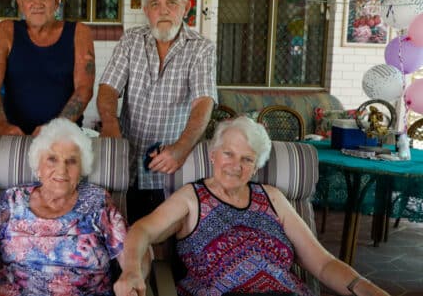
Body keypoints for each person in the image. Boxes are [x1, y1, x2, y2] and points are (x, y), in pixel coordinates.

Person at [114, 116, 391, 296]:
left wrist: (362, 286)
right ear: (213, 155)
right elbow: (143, 230)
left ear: (257, 165)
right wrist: (132, 271)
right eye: (228, 154)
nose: (236, 166)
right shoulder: (192, 197)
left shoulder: (273, 197)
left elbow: (322, 263)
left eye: (247, 159)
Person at [97, 0, 216, 222]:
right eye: (155, 4)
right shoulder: (131, 39)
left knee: (166, 240)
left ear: (186, 7)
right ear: (146, 10)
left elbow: (204, 101)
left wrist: (181, 149)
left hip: (170, 167)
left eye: (172, 3)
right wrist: (109, 123)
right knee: (122, 231)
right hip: (125, 162)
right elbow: (108, 87)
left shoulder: (201, 48)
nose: (163, 11)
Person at [0, 118, 135, 295]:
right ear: (38, 167)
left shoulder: (97, 200)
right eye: (52, 159)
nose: (62, 170)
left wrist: (131, 274)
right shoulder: (12, 199)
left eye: (71, 161)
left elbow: (131, 250)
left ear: (82, 169)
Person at [0, 0, 95, 136]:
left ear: (56, 1)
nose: (37, 4)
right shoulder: (5, 31)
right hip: (14, 135)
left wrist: (56, 129)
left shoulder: (80, 32)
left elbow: (84, 88)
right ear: (20, 3)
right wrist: (1, 125)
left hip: (64, 136)